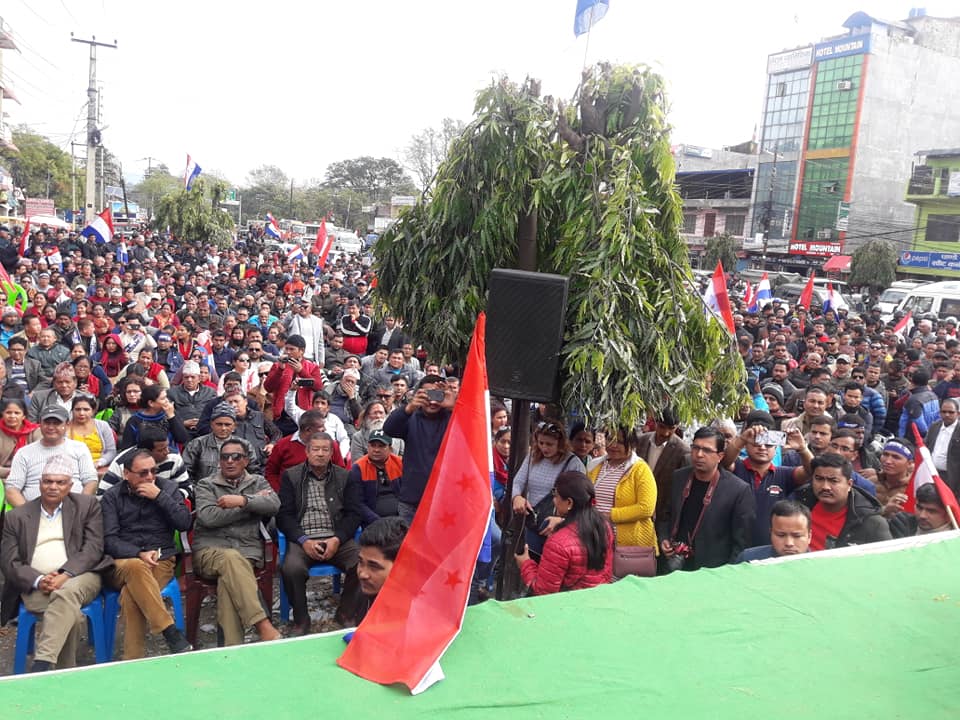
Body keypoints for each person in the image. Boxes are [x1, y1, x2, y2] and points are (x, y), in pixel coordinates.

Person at [0, 455, 113, 672]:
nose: (53, 487)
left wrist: (65, 574)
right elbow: (9, 561)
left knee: (66, 592)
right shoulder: (17, 516)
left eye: (60, 482)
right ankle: (61, 673)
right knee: (72, 616)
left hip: (81, 576)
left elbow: (93, 548)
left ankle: (42, 663)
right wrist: (39, 580)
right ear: (39, 483)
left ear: (70, 486)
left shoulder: (86, 506)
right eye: (48, 481)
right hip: (36, 586)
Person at [101, 449, 193, 659]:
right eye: (143, 473)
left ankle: (132, 660)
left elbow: (184, 523)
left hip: (160, 559)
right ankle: (169, 631)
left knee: (130, 597)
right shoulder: (112, 497)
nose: (150, 477)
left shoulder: (167, 488)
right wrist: (138, 553)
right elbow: (109, 540)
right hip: (122, 563)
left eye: (153, 471)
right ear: (126, 474)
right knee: (135, 565)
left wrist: (160, 497)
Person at [191, 438, 282, 646]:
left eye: (236, 457)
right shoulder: (206, 484)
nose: (230, 461)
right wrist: (250, 505)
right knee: (231, 558)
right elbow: (208, 517)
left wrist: (242, 500)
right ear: (219, 461)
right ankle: (262, 625)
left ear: (246, 461)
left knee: (228, 582)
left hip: (246, 551)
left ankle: (230, 648)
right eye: (225, 457)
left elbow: (274, 505)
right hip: (209, 550)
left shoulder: (258, 482)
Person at [277, 433, 363, 633]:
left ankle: (346, 612)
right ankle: (301, 619)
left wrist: (337, 538)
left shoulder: (345, 476)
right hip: (303, 538)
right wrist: (303, 540)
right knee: (291, 568)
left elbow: (354, 514)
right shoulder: (291, 476)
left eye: (325, 449)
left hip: (336, 537)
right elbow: (284, 515)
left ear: (332, 453)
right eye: (315, 449)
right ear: (307, 452)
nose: (320, 454)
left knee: (362, 564)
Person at [661, 427, 755, 571]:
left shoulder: (737, 490)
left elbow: (741, 543)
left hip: (712, 570)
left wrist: (728, 573)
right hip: (674, 562)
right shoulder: (679, 477)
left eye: (707, 450)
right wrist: (664, 538)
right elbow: (665, 515)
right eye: (695, 448)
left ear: (720, 456)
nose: (699, 454)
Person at [514, 470, 613, 595]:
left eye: (556, 496)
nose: (553, 501)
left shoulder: (558, 543)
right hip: (597, 598)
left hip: (568, 604)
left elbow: (544, 592)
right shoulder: (604, 526)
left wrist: (525, 564)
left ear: (569, 502)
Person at [383, 374, 456, 523]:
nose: (433, 401)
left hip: (445, 500)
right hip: (412, 500)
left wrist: (455, 406)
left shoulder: (453, 418)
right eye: (428, 395)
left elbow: (475, 429)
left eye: (437, 395)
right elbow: (389, 429)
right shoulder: (411, 417)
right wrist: (409, 408)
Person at [510, 421, 586, 558]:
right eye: (541, 443)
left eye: (550, 444)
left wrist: (563, 520)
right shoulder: (533, 456)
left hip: (560, 526)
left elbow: (582, 500)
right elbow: (518, 481)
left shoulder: (573, 464)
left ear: (560, 443)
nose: (544, 448)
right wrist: (517, 497)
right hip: (534, 523)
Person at [793, 453, 892, 551]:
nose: (825, 487)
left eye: (833, 481)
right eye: (819, 479)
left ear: (849, 484)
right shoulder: (799, 504)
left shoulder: (872, 523)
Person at [5, 405, 99, 506]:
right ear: (40, 424)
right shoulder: (24, 453)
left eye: (56, 423)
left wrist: (81, 508)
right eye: (47, 423)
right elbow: (12, 488)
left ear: (67, 425)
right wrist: (28, 512)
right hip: (33, 509)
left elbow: (91, 481)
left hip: (74, 508)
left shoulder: (79, 448)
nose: (51, 427)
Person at [587, 426, 657, 557]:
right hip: (596, 540)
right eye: (610, 439)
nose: (613, 445)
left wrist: (611, 515)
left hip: (629, 547)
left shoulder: (640, 470)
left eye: (619, 441)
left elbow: (646, 508)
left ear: (631, 443)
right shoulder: (595, 465)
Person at [635, 409, 689, 540]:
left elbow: (680, 489)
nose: (665, 433)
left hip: (662, 515)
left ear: (677, 427)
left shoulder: (683, 451)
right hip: (636, 507)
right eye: (662, 427)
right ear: (655, 422)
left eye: (671, 428)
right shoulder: (641, 441)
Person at [100, 425, 192, 502]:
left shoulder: (174, 458)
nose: (167, 451)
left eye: (167, 446)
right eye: (161, 450)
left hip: (165, 508)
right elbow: (102, 495)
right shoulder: (121, 463)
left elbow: (186, 488)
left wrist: (161, 499)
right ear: (146, 451)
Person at [354, 516, 409, 624]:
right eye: (360, 562)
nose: (362, 574)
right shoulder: (365, 591)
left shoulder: (415, 617)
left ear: (402, 568)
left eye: (374, 567)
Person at [348, 429, 403, 527]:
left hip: (401, 519)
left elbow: (407, 495)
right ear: (368, 447)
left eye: (381, 446)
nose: (376, 450)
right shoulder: (358, 468)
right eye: (373, 445)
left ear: (390, 449)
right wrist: (379, 522)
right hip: (373, 524)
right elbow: (357, 503)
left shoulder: (399, 463)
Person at [119, 384, 190, 452]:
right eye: (163, 399)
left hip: (169, 453)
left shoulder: (170, 413)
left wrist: (171, 416)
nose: (167, 401)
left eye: (166, 397)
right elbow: (127, 448)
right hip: (144, 456)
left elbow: (182, 439)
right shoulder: (134, 421)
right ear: (151, 403)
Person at [736, 501, 812, 562]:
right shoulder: (748, 559)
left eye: (797, 536)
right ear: (771, 533)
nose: (789, 543)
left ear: (809, 536)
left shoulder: (817, 566)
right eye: (781, 535)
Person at [166, 360, 218, 440]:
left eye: (193, 377)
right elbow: (167, 415)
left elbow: (216, 413)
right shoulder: (172, 393)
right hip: (181, 431)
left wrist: (202, 423)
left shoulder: (210, 392)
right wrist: (183, 423)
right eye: (186, 377)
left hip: (205, 430)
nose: (189, 380)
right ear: (182, 378)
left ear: (199, 378)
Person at [67, 394, 117, 476]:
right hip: (72, 470)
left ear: (93, 411)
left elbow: (111, 451)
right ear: (72, 411)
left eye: (86, 409)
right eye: (77, 409)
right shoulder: (65, 428)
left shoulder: (102, 426)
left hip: (100, 468)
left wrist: (100, 463)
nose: (81, 413)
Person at [888, 483, 956, 537]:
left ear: (948, 515)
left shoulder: (956, 537)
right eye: (919, 508)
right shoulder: (901, 522)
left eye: (931, 511)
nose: (922, 516)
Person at [0, 397, 40, 482]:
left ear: (23, 416)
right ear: (2, 414)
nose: (12, 416)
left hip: (30, 477)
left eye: (17, 413)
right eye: (8, 412)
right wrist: (13, 472)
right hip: (2, 477)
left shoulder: (35, 431)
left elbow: (40, 459)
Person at [925, 398, 960, 494]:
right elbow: (926, 447)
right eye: (944, 412)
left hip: (951, 478)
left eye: (951, 412)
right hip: (931, 474)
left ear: (958, 414)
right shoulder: (934, 427)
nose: (947, 415)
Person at [899, 369, 940, 438]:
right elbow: (938, 417)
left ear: (912, 381)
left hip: (914, 437)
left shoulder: (914, 399)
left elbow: (918, 421)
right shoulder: (934, 395)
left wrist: (926, 435)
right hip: (930, 434)